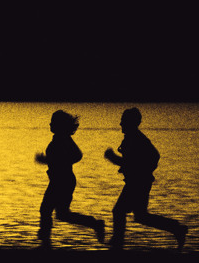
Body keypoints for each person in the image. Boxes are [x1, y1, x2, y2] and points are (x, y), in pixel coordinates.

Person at [104, 107, 188, 251]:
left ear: (131, 123)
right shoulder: (132, 138)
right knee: (140, 216)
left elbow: (137, 160)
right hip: (138, 182)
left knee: (119, 211)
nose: (120, 124)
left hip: (137, 183)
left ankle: (117, 243)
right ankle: (176, 229)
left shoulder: (137, 139)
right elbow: (134, 161)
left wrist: (112, 158)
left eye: (123, 121)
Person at [36, 110, 105, 247]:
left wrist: (56, 161)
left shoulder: (63, 139)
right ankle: (94, 224)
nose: (50, 124)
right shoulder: (60, 139)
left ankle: (45, 241)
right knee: (62, 214)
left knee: (46, 209)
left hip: (63, 181)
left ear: (60, 125)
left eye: (53, 122)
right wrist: (50, 160)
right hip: (60, 180)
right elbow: (60, 158)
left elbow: (76, 156)